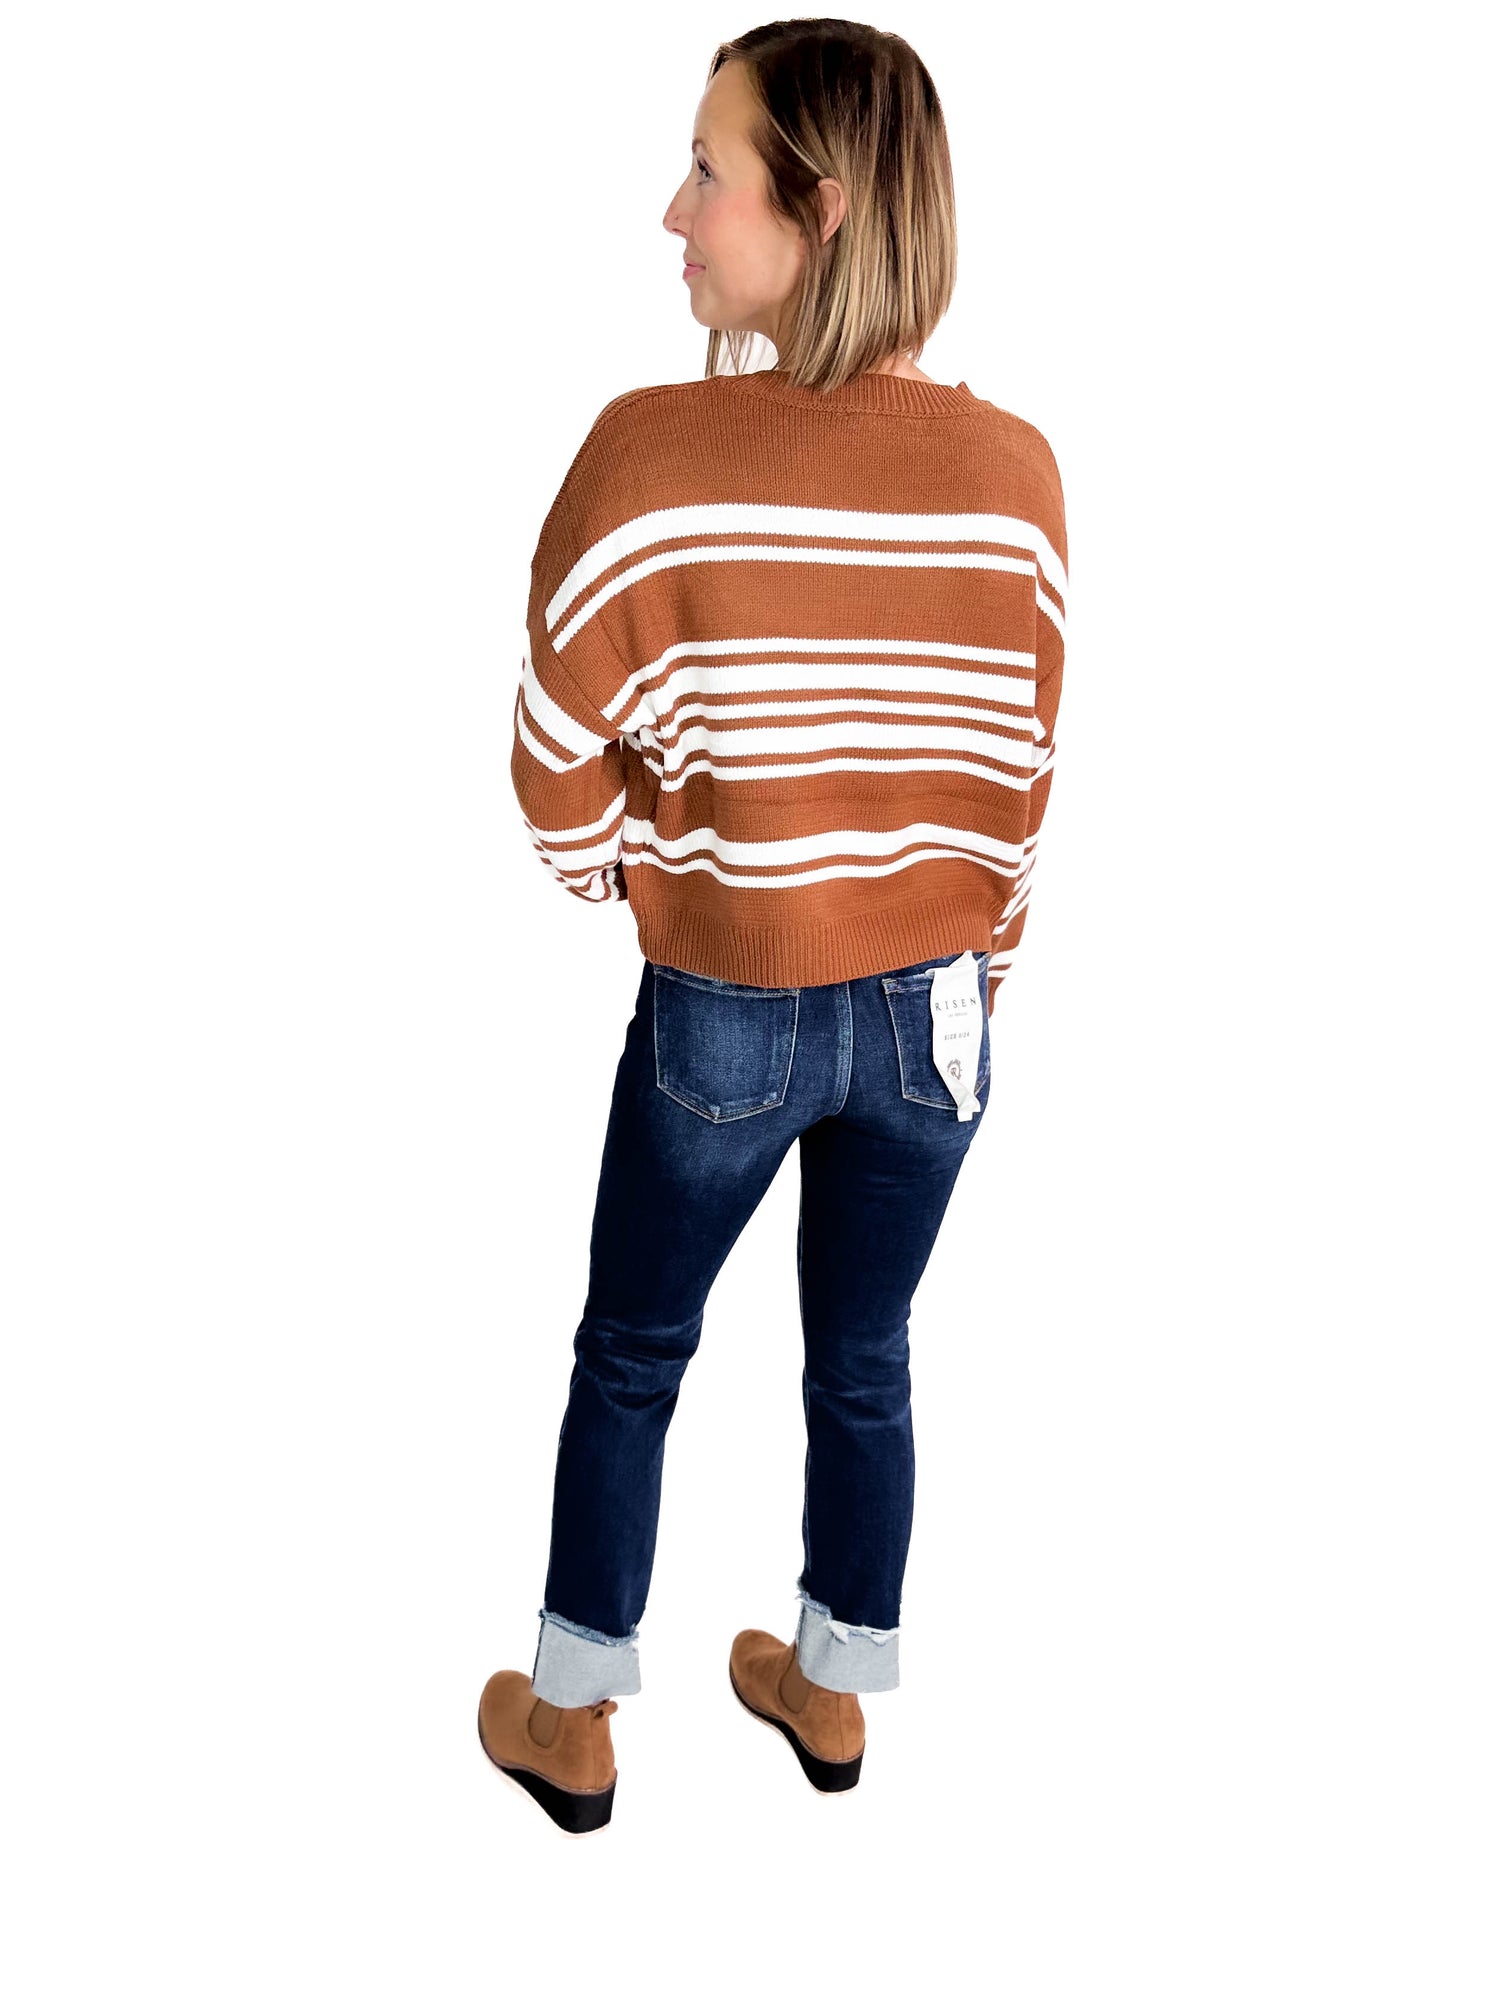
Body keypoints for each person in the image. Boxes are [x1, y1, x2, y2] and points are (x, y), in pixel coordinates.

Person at [477, 19, 1069, 1836]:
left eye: (707, 170)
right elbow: (1021, 769)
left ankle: (572, 1716)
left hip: (726, 999)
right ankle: (830, 1687)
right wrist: (979, 955)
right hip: (938, 1013)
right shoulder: (1020, 477)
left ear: (817, 209)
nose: (673, 212)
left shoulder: (651, 456)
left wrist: (637, 876)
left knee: (633, 1352)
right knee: (868, 1358)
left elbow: (551, 758)